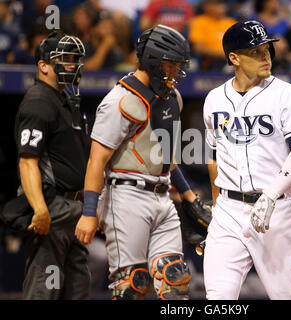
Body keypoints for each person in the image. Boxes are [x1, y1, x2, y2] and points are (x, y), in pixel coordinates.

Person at [75, 24, 201, 300]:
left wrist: (190, 198)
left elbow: (168, 157)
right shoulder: (119, 101)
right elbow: (97, 160)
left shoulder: (172, 99)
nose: (175, 72)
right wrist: (88, 211)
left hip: (163, 197)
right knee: (132, 286)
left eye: (179, 65)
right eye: (170, 65)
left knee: (175, 279)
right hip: (125, 197)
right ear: (153, 61)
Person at [202, 20, 291, 300]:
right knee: (218, 298)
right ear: (234, 58)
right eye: (256, 52)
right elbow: (213, 156)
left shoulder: (287, 94)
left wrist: (271, 194)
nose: (266, 57)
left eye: (267, 49)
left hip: (277, 211)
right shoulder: (214, 99)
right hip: (228, 212)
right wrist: (217, 206)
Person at [13, 31, 90, 299]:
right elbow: (27, 161)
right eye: (65, 59)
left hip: (71, 210)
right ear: (43, 66)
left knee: (77, 289)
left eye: (75, 59)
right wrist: (39, 209)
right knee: (44, 289)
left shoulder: (64, 99)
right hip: (51, 207)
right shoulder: (39, 101)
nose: (72, 65)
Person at [188, 0, 236, 71]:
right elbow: (198, 48)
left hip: (230, 61)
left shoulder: (231, 23)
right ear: (207, 6)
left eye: (222, 4)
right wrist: (223, 54)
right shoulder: (199, 21)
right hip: (208, 62)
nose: (221, 7)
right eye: (216, 4)